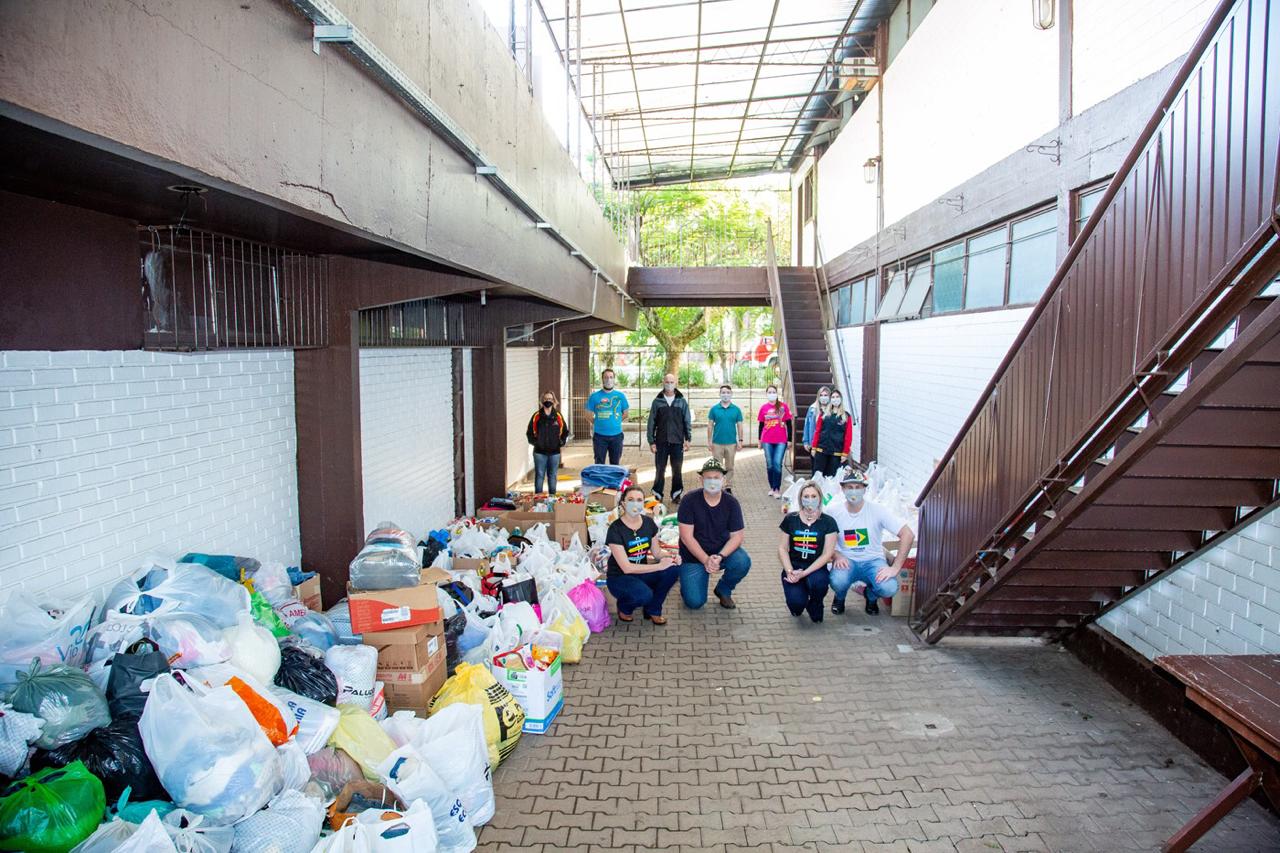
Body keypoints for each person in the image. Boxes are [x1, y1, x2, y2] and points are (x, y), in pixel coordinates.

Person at [827, 469, 914, 615]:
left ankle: (871, 596)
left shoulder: (878, 510)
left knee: (889, 588)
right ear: (842, 489)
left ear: (864, 489)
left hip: (873, 561)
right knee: (837, 580)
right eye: (849, 487)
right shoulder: (833, 512)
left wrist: (896, 567)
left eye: (858, 487)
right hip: (847, 561)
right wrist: (836, 554)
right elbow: (822, 539)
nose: (854, 491)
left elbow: (908, 534)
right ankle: (840, 597)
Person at [677, 458, 751, 609]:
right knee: (694, 602)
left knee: (742, 561)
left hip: (721, 553)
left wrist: (720, 556)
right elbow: (686, 537)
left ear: (723, 480)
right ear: (701, 479)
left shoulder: (731, 503)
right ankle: (688, 585)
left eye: (716, 478)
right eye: (708, 478)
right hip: (693, 556)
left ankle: (724, 590)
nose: (712, 481)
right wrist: (705, 559)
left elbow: (737, 536)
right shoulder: (688, 501)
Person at [604, 486, 681, 624]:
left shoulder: (648, 523)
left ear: (643, 503)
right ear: (623, 503)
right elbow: (627, 568)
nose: (635, 503)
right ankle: (624, 607)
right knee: (644, 595)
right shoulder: (615, 529)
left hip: (641, 572)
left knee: (673, 569)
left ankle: (653, 609)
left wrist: (671, 557)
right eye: (631, 499)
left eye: (639, 500)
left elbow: (657, 552)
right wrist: (659, 566)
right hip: (619, 577)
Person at [778, 480, 839, 622]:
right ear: (800, 499)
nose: (809, 500)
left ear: (819, 498)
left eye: (813, 496)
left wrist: (804, 574)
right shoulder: (790, 519)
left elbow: (827, 554)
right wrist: (789, 571)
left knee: (819, 584)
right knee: (796, 607)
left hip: (816, 567)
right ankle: (801, 598)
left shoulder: (828, 522)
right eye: (806, 496)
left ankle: (815, 602)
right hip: (794, 566)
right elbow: (782, 548)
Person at [646, 373, 692, 503]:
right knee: (660, 469)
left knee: (677, 468)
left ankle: (676, 494)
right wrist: (651, 441)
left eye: (672, 382)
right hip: (661, 442)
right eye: (667, 382)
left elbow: (687, 421)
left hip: (677, 442)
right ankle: (657, 494)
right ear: (663, 382)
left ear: (676, 383)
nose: (669, 384)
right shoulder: (657, 402)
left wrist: (688, 439)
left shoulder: (682, 401)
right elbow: (651, 423)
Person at [525, 391, 569, 494]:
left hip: (554, 452)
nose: (548, 401)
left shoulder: (558, 416)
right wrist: (537, 443)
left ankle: (552, 499)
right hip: (539, 452)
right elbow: (529, 433)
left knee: (552, 475)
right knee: (540, 475)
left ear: (554, 401)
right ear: (542, 401)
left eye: (550, 399)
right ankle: (538, 500)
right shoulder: (536, 416)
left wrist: (561, 442)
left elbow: (565, 431)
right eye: (545, 399)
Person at [585, 368, 629, 465]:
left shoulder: (620, 396)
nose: (608, 380)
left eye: (611, 377)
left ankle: (613, 480)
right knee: (599, 464)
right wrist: (597, 423)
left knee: (615, 464)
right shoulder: (594, 396)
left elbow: (626, 413)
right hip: (599, 437)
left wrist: (615, 421)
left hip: (617, 436)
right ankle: (600, 480)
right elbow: (588, 415)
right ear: (602, 379)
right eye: (606, 377)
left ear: (614, 379)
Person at [705, 384, 744, 488]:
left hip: (731, 443)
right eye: (723, 392)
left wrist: (740, 441)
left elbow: (740, 426)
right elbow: (710, 426)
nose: (725, 395)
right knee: (717, 467)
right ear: (720, 394)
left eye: (727, 392)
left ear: (731, 394)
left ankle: (728, 485)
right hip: (717, 443)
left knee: (730, 466)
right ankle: (718, 486)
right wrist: (709, 441)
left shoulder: (736, 410)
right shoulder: (714, 409)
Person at [757, 385, 793, 497]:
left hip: (781, 441)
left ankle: (777, 489)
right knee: (770, 464)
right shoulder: (763, 408)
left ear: (777, 393)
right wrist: (759, 440)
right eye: (769, 392)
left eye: (774, 392)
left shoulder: (783, 407)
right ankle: (772, 487)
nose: (772, 394)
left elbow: (789, 424)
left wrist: (790, 440)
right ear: (766, 394)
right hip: (767, 440)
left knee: (777, 464)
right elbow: (761, 425)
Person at [810, 390, 853, 478]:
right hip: (821, 450)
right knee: (817, 477)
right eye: (833, 397)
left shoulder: (846, 416)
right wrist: (814, 448)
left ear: (841, 399)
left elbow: (848, 436)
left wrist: (845, 453)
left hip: (836, 453)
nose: (835, 399)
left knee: (832, 478)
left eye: (837, 397)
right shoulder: (824, 414)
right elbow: (817, 431)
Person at [801, 385, 832, 469]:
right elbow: (807, 425)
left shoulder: (833, 410)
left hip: (828, 445)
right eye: (821, 395)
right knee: (815, 469)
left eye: (826, 395)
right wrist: (806, 441)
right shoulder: (812, 409)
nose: (823, 397)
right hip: (814, 443)